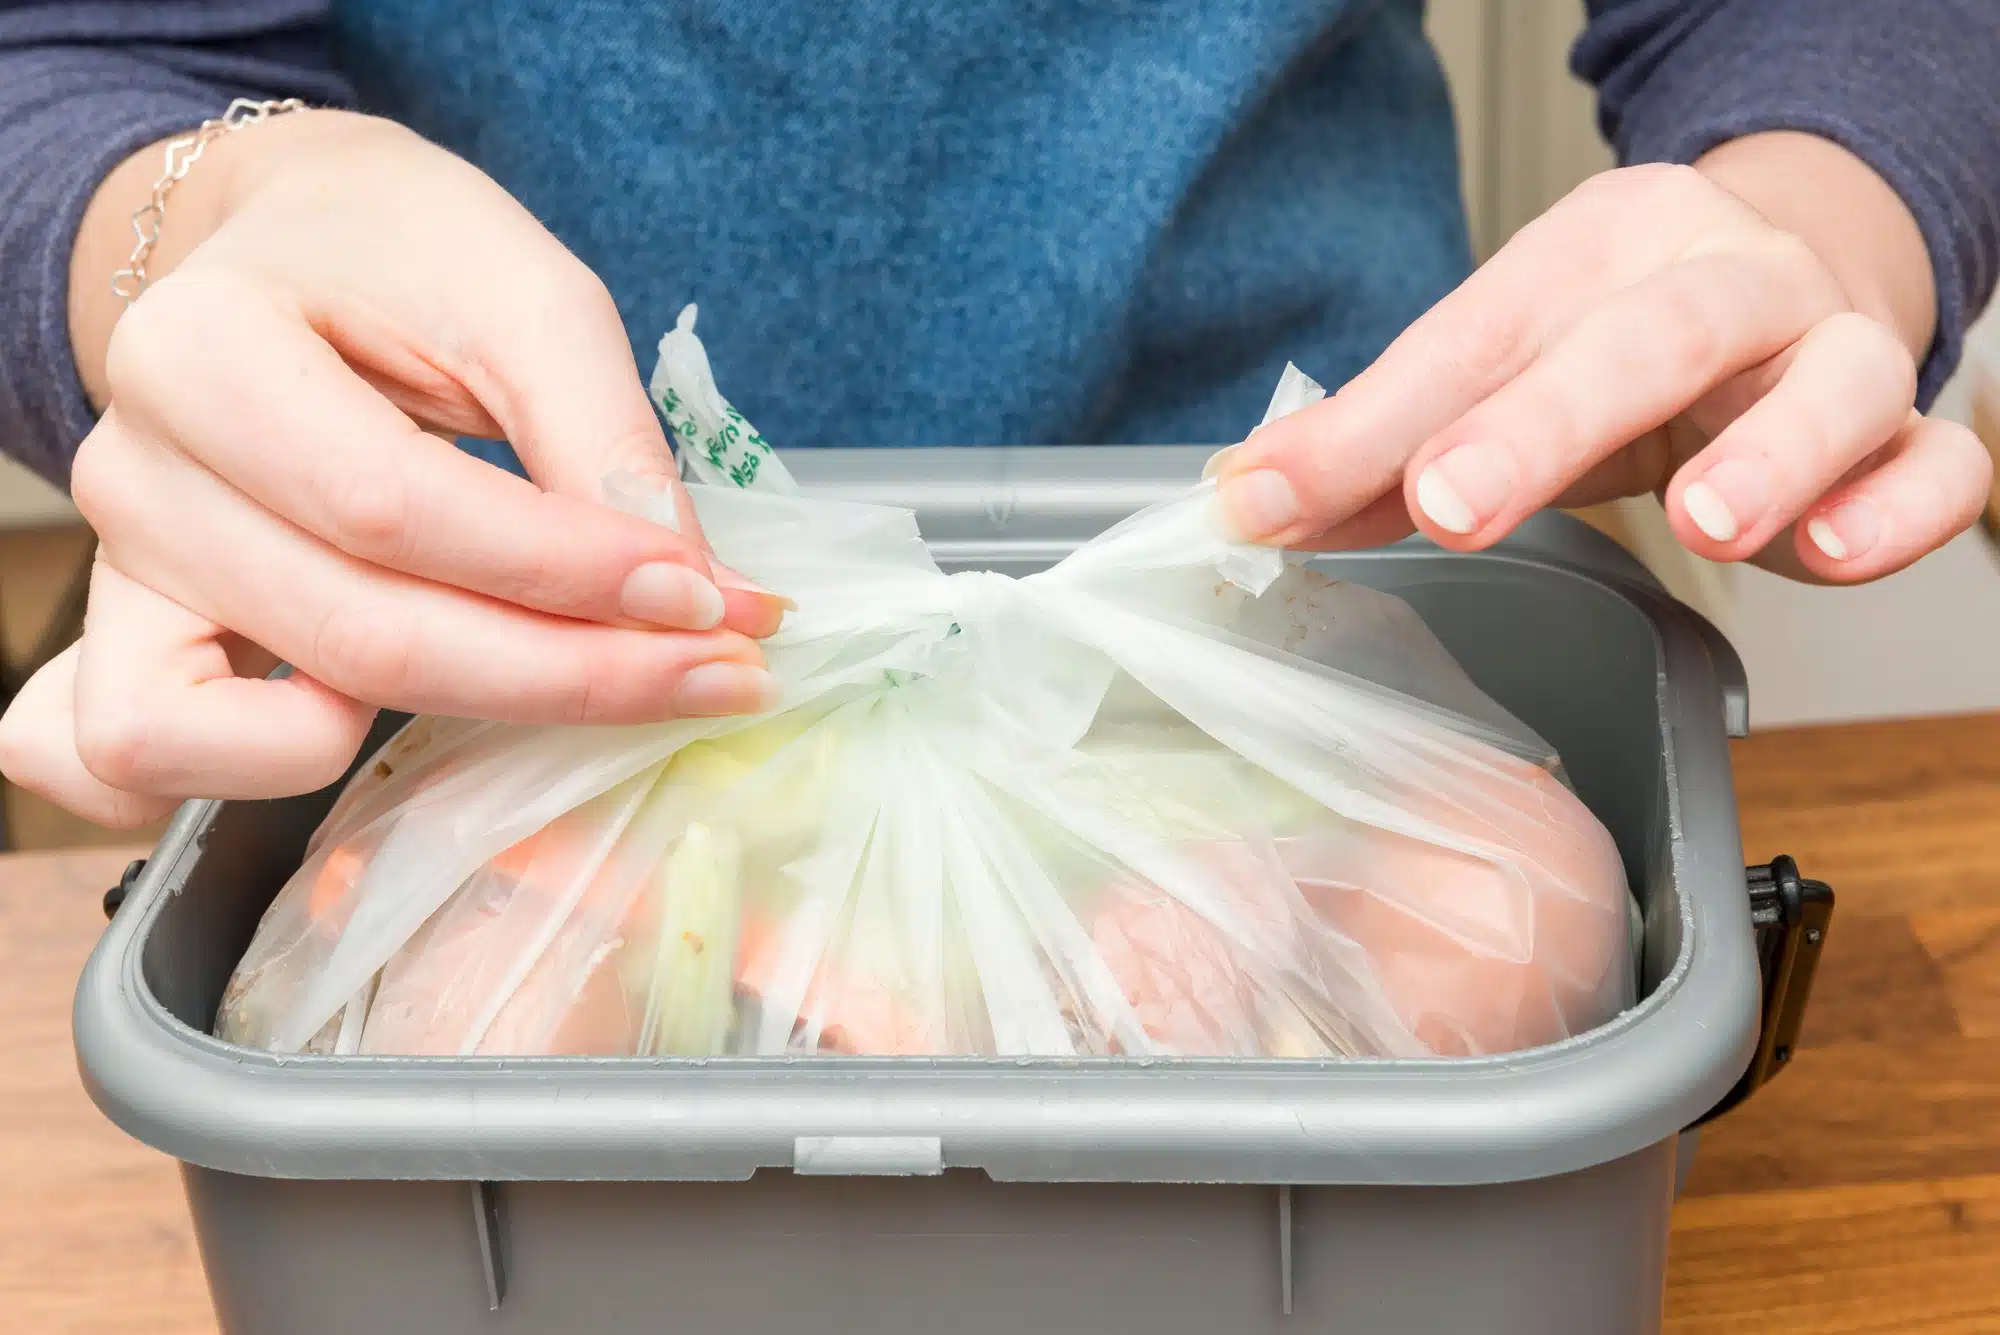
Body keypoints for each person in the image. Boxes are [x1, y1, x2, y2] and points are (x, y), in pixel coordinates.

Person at [0, 0, 1994, 829]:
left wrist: (1803, 213)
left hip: (1339, 605)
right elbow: (72, 54)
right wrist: (180, 228)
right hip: (456, 656)